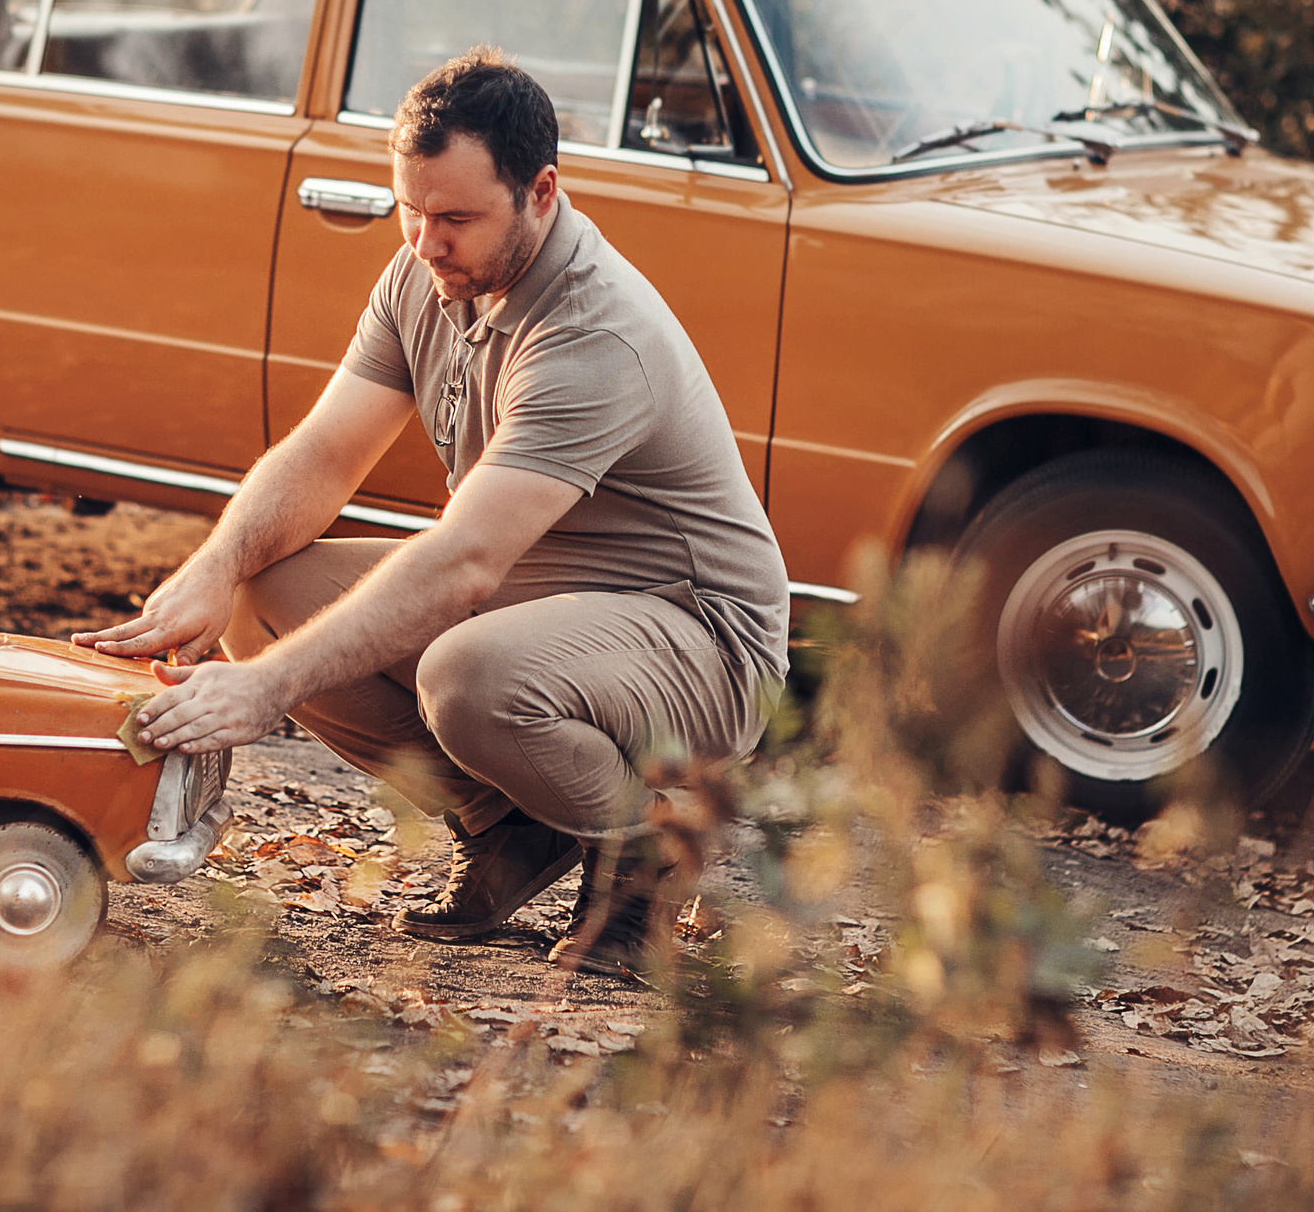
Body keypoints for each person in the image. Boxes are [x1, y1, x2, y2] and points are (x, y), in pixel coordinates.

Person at [77, 49, 790, 973]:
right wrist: (212, 569)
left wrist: (267, 689)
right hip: (555, 606)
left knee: (466, 676)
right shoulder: (428, 273)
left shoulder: (593, 331)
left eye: (455, 217)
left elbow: (464, 564)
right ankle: (509, 830)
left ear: (541, 191)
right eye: (409, 209)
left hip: (703, 639)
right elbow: (326, 454)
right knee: (263, 589)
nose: (423, 240)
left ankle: (645, 852)